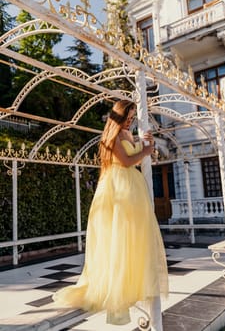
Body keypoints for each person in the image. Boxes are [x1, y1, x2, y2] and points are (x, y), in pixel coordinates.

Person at [53, 99, 168, 330]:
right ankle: (116, 289)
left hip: (133, 190)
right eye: (128, 115)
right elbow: (126, 161)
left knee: (135, 239)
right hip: (118, 190)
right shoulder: (112, 137)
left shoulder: (128, 134)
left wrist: (147, 145)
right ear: (119, 115)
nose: (131, 120)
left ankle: (133, 285)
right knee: (119, 238)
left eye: (133, 116)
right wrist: (145, 150)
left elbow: (137, 156)